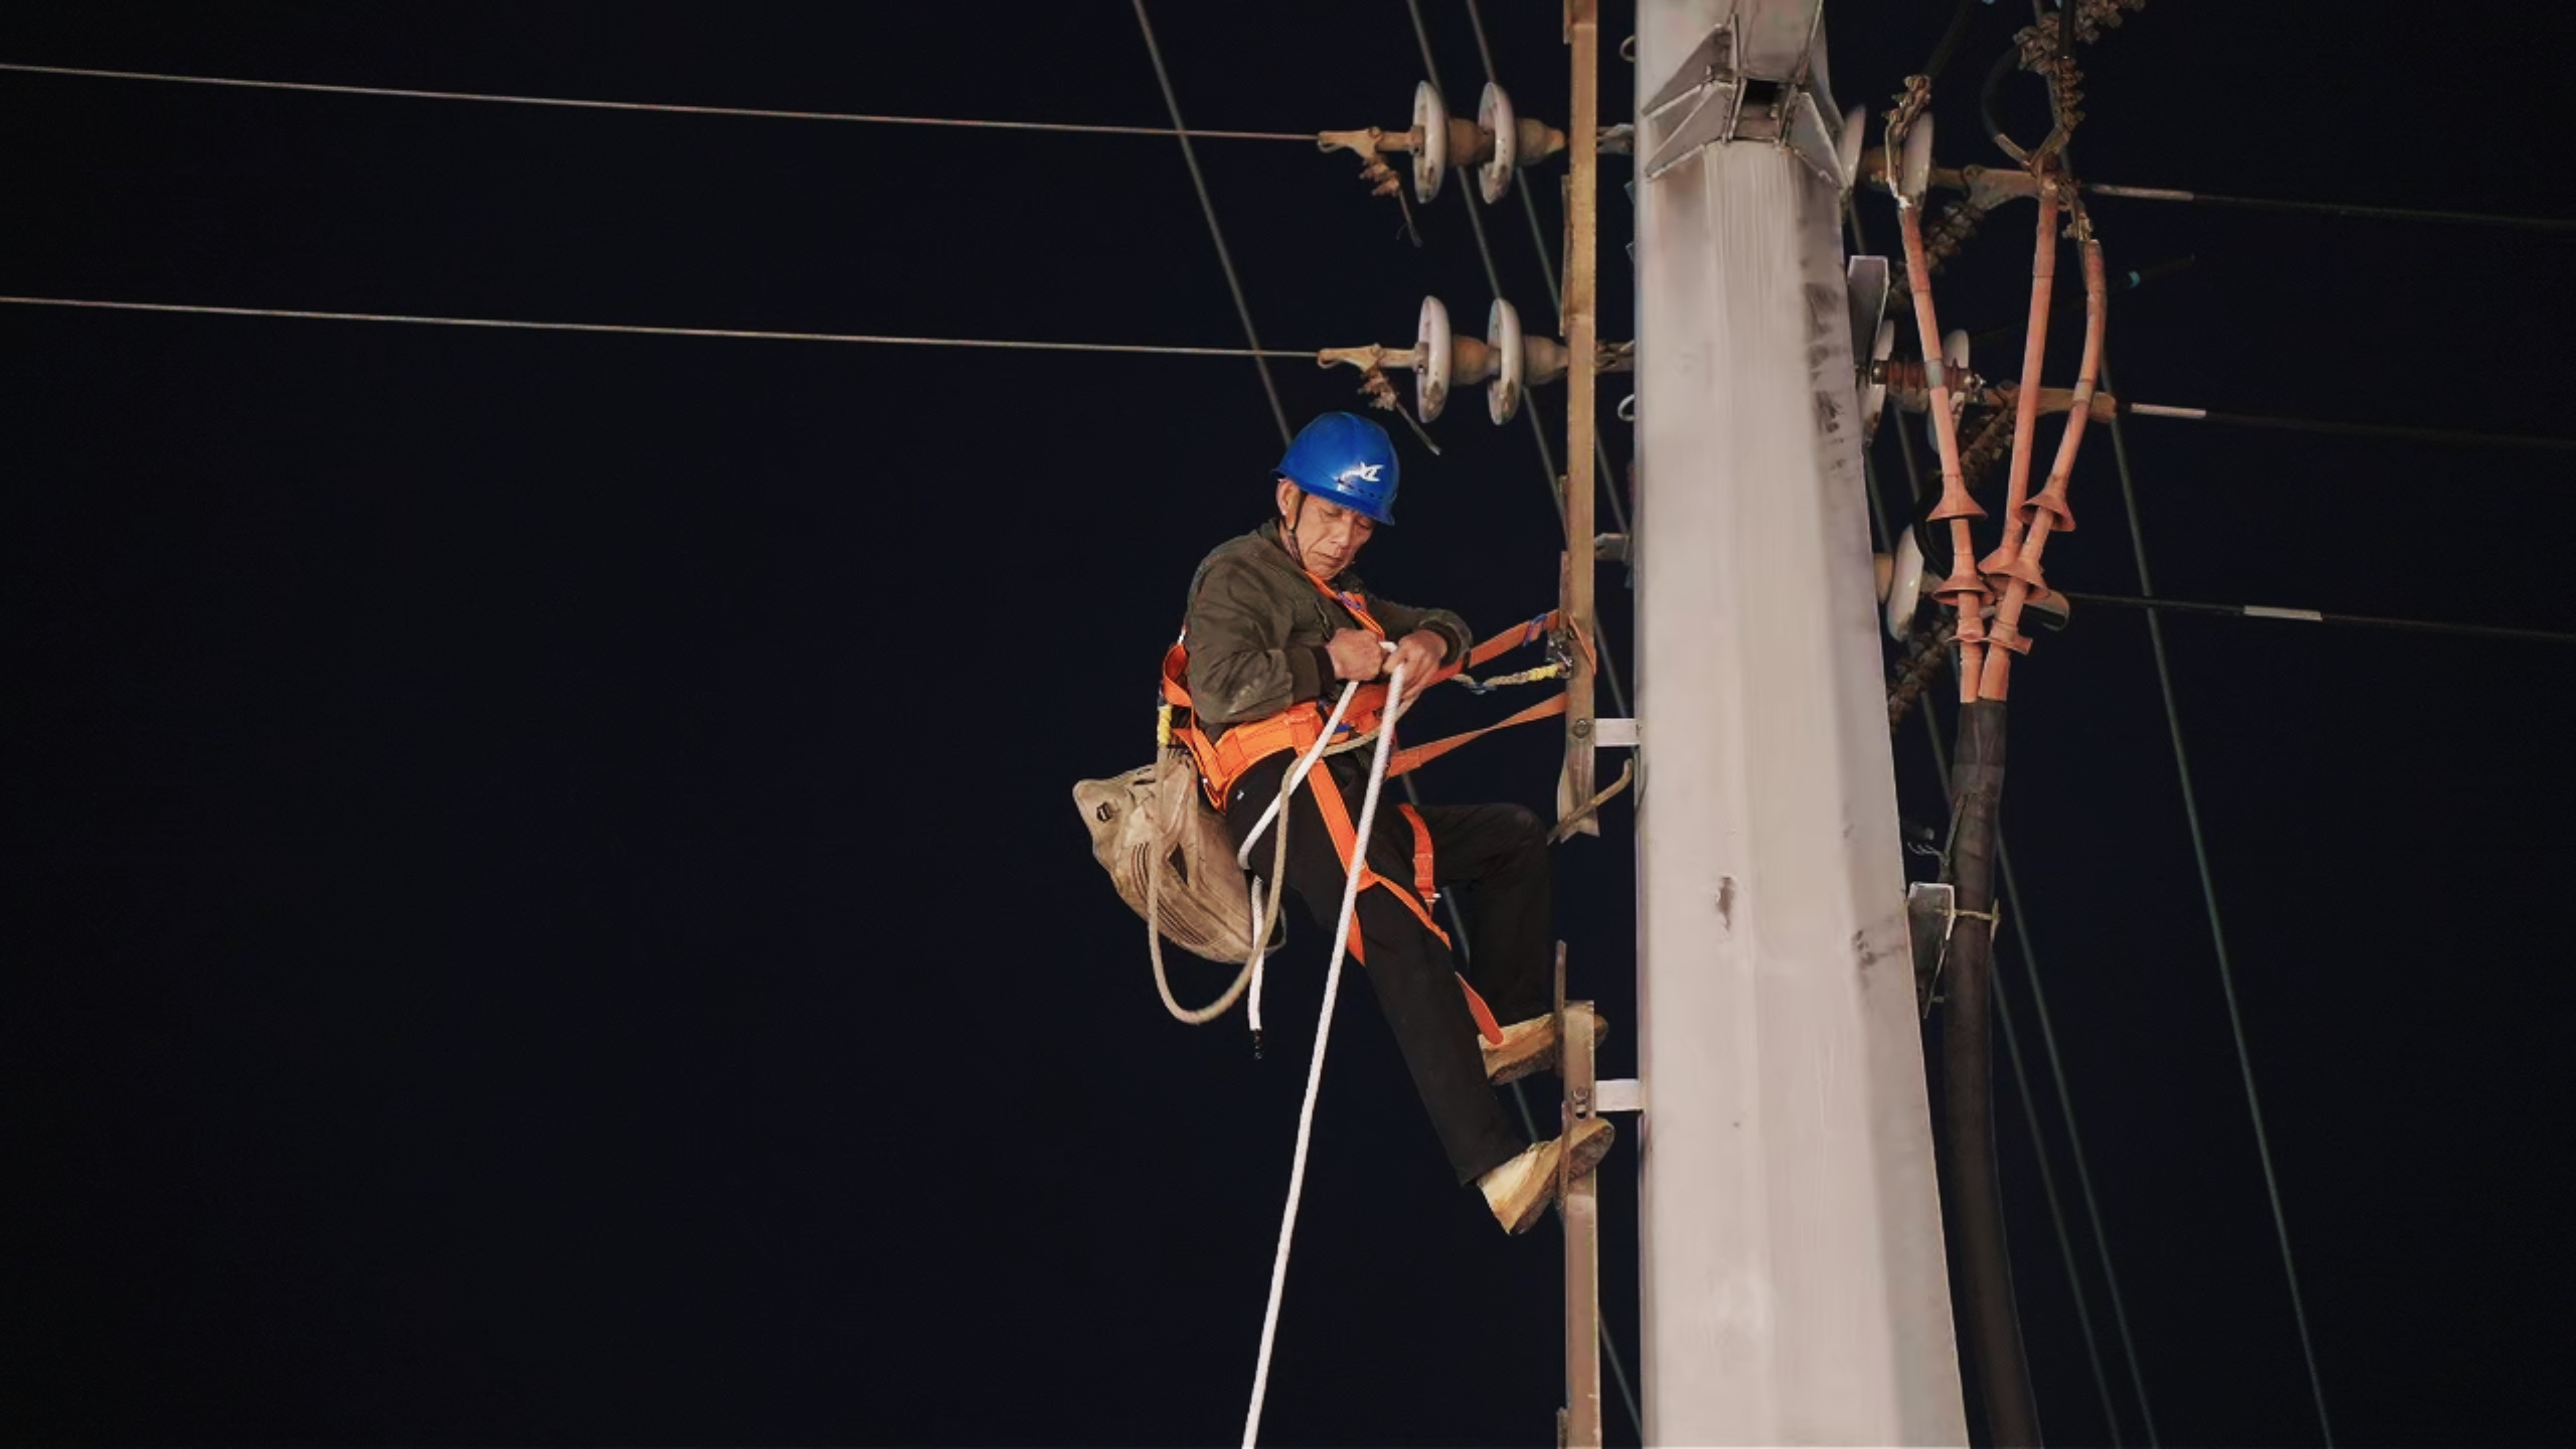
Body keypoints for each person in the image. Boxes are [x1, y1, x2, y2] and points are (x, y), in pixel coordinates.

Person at [1173, 411, 1611, 1234]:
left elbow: (1439, 620)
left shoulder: (1341, 595)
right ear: (1288, 498)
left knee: (1509, 837)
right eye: (1331, 514)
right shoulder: (1239, 575)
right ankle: (1501, 1171)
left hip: (1342, 794)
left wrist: (1433, 643)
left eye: (1362, 524)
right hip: (1280, 791)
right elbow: (1219, 688)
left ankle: (1506, 1027)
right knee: (1396, 928)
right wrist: (1324, 662)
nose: (1344, 538)